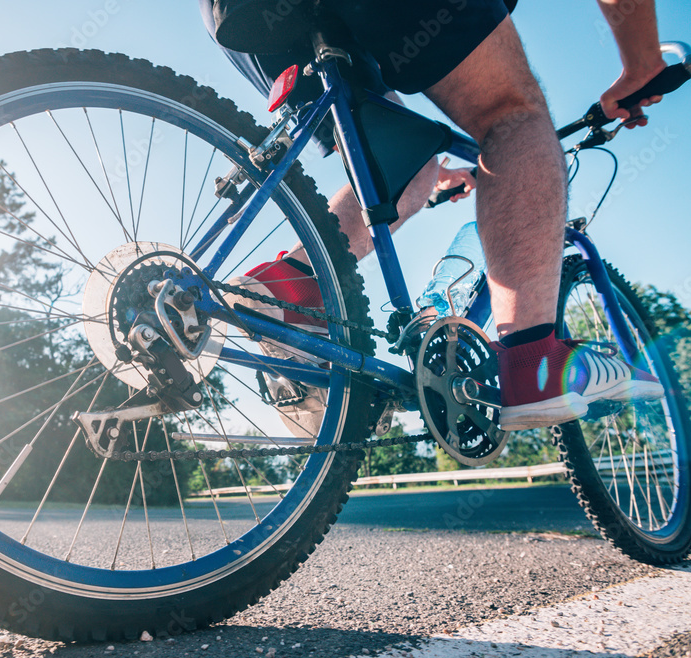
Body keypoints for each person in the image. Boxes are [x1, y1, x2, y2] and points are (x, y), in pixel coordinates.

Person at [201, 0, 665, 432]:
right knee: (509, 114)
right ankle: (534, 363)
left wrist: (435, 172)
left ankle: (285, 286)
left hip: (237, 14)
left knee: (410, 163)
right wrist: (641, 63)